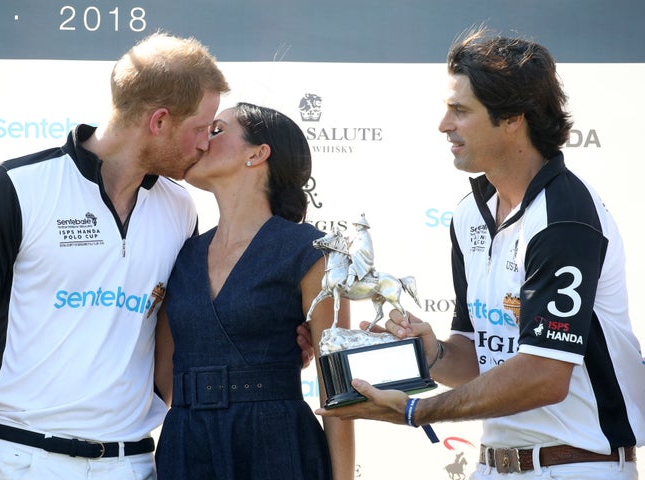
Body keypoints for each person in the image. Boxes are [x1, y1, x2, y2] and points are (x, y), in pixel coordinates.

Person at [0, 32, 304, 480]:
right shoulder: (19, 185)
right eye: (201, 129)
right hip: (17, 459)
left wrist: (268, 345)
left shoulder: (180, 207)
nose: (205, 143)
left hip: (133, 464)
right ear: (159, 121)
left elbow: (180, 329)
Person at [317, 27, 645, 479]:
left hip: (577, 467)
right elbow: (481, 359)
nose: (443, 124)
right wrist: (432, 353)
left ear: (512, 118)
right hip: (492, 466)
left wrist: (419, 410)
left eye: (460, 110)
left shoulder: (563, 216)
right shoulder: (469, 214)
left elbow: (544, 376)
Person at [153, 102, 355, 479]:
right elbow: (159, 379)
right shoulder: (181, 253)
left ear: (257, 153)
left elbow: (337, 391)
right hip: (185, 445)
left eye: (216, 131)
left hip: (276, 445)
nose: (200, 140)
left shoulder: (316, 252)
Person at [343, 213, 376, 290]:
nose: (356, 227)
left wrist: (352, 253)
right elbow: (351, 244)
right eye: (356, 225)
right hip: (357, 257)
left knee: (352, 267)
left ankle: (348, 286)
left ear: (363, 226)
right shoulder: (357, 235)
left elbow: (365, 248)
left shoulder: (365, 236)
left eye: (358, 225)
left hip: (363, 259)